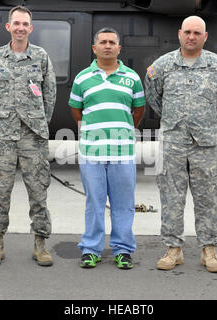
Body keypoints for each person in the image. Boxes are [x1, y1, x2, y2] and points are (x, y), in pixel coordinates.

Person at [144, 16, 217, 273]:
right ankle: (173, 248)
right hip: (173, 142)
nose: (191, 36)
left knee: (207, 196)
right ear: (179, 34)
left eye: (197, 33)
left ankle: (209, 249)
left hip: (204, 144)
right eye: (187, 32)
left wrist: (204, 123)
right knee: (171, 196)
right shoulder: (162, 66)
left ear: (205, 37)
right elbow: (153, 97)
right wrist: (176, 121)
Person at [0, 5, 56, 267]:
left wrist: (39, 121)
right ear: (8, 27)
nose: (21, 28)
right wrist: (2, 119)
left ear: (31, 28)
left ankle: (40, 243)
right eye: (16, 23)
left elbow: (50, 94)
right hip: (2, 135)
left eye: (25, 24)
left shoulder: (41, 56)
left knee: (38, 190)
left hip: (33, 136)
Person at [69, 27, 145, 269]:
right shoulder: (82, 78)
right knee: (95, 203)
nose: (108, 45)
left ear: (119, 48)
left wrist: (122, 130)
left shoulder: (132, 77)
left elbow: (139, 109)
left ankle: (123, 250)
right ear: (95, 48)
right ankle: (91, 249)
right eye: (103, 42)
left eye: (112, 42)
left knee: (123, 204)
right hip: (92, 153)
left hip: (122, 153)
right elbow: (76, 110)